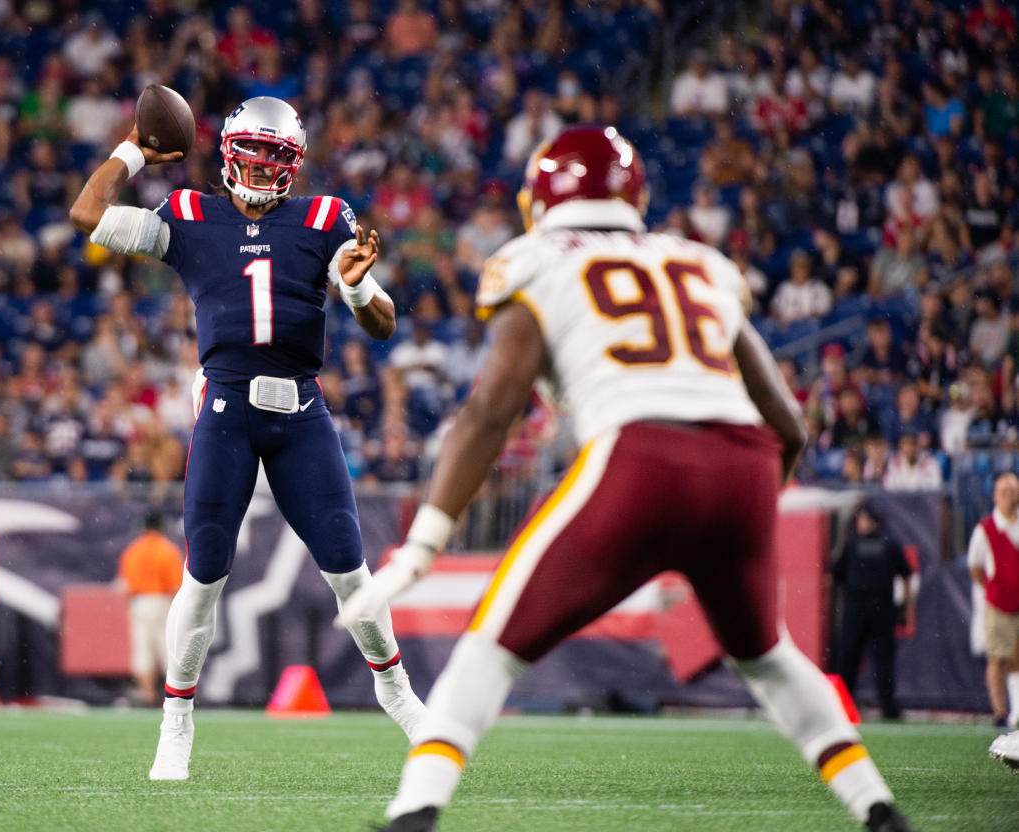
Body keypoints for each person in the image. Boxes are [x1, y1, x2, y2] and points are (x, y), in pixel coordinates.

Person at [339, 126, 917, 832]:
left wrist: (423, 547)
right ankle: (880, 811)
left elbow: (491, 409)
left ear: (542, 198)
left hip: (639, 456)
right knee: (769, 657)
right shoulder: (698, 261)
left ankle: (413, 815)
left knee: (491, 647)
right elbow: (788, 426)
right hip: (743, 464)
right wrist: (739, 524)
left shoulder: (536, 258)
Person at [69, 95, 427, 781]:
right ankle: (176, 719)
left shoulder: (325, 219)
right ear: (231, 152)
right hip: (228, 408)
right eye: (256, 154)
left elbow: (382, 320)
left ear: (294, 164)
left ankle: (397, 692)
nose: (265, 170)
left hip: (300, 412)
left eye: (278, 158)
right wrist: (136, 149)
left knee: (349, 570)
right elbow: (89, 217)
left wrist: (353, 292)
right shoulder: (190, 214)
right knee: (203, 574)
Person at [829, 505, 913, 720]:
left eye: (866, 519)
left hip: (873, 607)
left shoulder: (876, 546)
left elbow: (905, 576)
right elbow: (834, 576)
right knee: (853, 657)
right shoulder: (861, 546)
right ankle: (845, 705)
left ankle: (883, 706)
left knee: (874, 658)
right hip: (867, 607)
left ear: (876, 522)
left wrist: (905, 607)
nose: (862, 523)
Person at [115, 511, 184, 705]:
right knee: (168, 648)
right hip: (163, 601)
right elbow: (175, 586)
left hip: (140, 602)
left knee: (142, 650)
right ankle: (175, 695)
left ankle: (147, 695)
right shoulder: (167, 550)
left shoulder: (133, 550)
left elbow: (125, 586)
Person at [968, 472, 1019, 728]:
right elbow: (975, 567)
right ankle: (1000, 712)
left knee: (1016, 657)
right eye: (1005, 493)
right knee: (998, 657)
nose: (1011, 498)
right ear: (995, 497)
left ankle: (1016, 709)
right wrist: (996, 586)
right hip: (999, 603)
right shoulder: (986, 529)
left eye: (1014, 492)